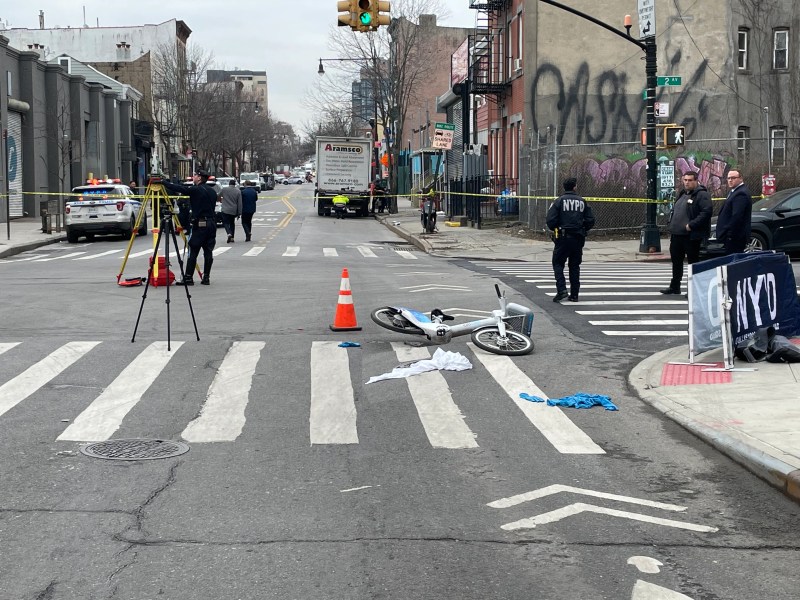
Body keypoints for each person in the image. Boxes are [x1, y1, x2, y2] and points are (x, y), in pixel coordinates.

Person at [660, 171, 713, 295]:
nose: (687, 182)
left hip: (691, 236)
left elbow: (706, 212)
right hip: (677, 235)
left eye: (690, 180)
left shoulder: (702, 195)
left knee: (692, 263)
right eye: (685, 180)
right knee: (676, 262)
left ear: (696, 181)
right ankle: (675, 286)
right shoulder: (683, 193)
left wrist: (691, 225)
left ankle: (693, 291)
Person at [162, 169, 218, 286]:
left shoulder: (196, 189)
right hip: (211, 223)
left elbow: (180, 189)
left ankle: (188, 277)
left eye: (195, 175)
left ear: (199, 178)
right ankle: (206, 277)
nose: (193, 177)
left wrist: (164, 183)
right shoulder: (212, 191)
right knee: (208, 251)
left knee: (193, 250)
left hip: (200, 224)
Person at [546, 177, 595, 303]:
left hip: (563, 237)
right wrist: (583, 228)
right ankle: (574, 295)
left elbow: (550, 220)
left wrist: (556, 227)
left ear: (564, 187)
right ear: (575, 187)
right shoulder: (582, 201)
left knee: (557, 263)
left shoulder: (559, 201)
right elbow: (590, 220)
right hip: (578, 237)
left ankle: (561, 290)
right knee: (574, 266)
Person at [716, 169, 753, 254]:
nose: (730, 180)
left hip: (734, 237)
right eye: (728, 178)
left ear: (741, 178)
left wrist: (729, 234)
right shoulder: (734, 191)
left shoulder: (741, 193)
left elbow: (737, 216)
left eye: (733, 178)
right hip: (732, 237)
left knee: (734, 261)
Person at [219, 179, 242, 243]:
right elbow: (239, 203)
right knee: (232, 223)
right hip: (233, 210)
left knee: (226, 222)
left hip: (225, 209)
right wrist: (239, 213)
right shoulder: (238, 191)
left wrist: (221, 199)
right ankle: (232, 237)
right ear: (235, 184)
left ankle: (229, 233)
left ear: (229, 184)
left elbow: (218, 195)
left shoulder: (224, 189)